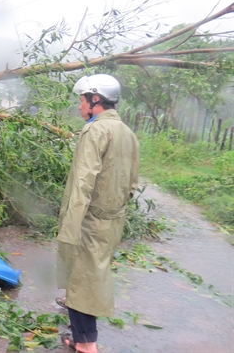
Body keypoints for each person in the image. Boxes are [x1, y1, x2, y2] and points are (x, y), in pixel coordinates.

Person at [56, 74, 140, 353]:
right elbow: (132, 184)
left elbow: (83, 182)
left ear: (95, 100)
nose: (79, 107)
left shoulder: (95, 131)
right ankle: (82, 337)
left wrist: (70, 225)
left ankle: (86, 345)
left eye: (81, 101)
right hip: (112, 219)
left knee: (82, 278)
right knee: (91, 274)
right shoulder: (127, 132)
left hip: (90, 219)